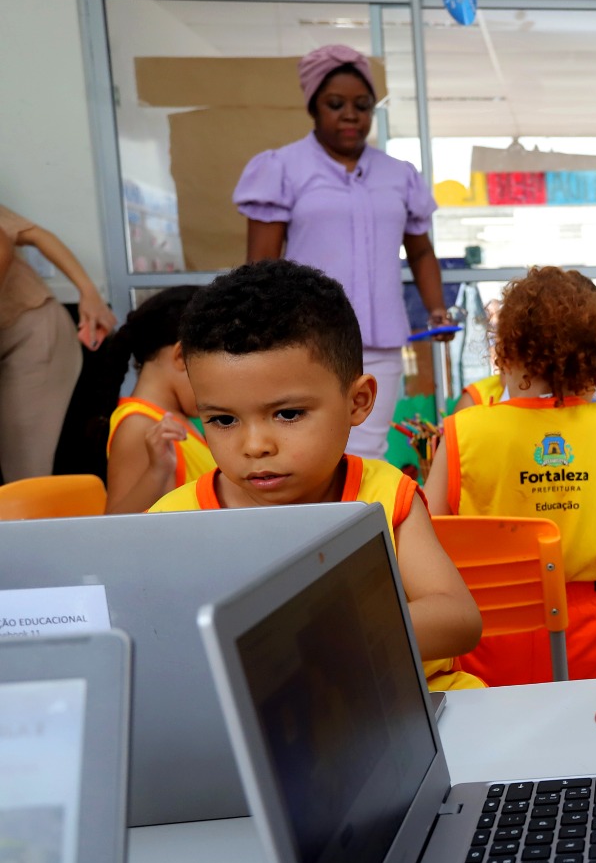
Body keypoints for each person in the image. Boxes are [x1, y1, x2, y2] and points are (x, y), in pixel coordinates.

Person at [149, 259, 483, 690]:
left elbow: (457, 619)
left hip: (412, 707)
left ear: (358, 401)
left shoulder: (382, 496)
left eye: (287, 414)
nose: (255, 445)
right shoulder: (171, 522)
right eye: (223, 420)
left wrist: (311, 636)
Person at [233, 43, 452, 461]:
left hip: (380, 346)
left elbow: (421, 253)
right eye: (336, 104)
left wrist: (436, 309)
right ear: (314, 107)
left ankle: (363, 526)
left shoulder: (399, 175)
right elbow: (261, 267)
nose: (351, 115)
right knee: (310, 453)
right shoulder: (281, 168)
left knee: (367, 451)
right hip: (306, 340)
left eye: (363, 105)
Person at [424, 266, 596, 684]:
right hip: (582, 635)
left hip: (485, 631)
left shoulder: (464, 427)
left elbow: (429, 533)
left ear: (507, 348)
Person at [0, 203, 118, 482]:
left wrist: (89, 293)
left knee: (26, 466)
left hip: (30, 329)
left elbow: (34, 236)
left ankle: (28, 525)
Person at [104, 286, 216, 514]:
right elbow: (115, 524)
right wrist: (157, 472)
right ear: (181, 357)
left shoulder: (178, 419)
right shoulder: (140, 425)